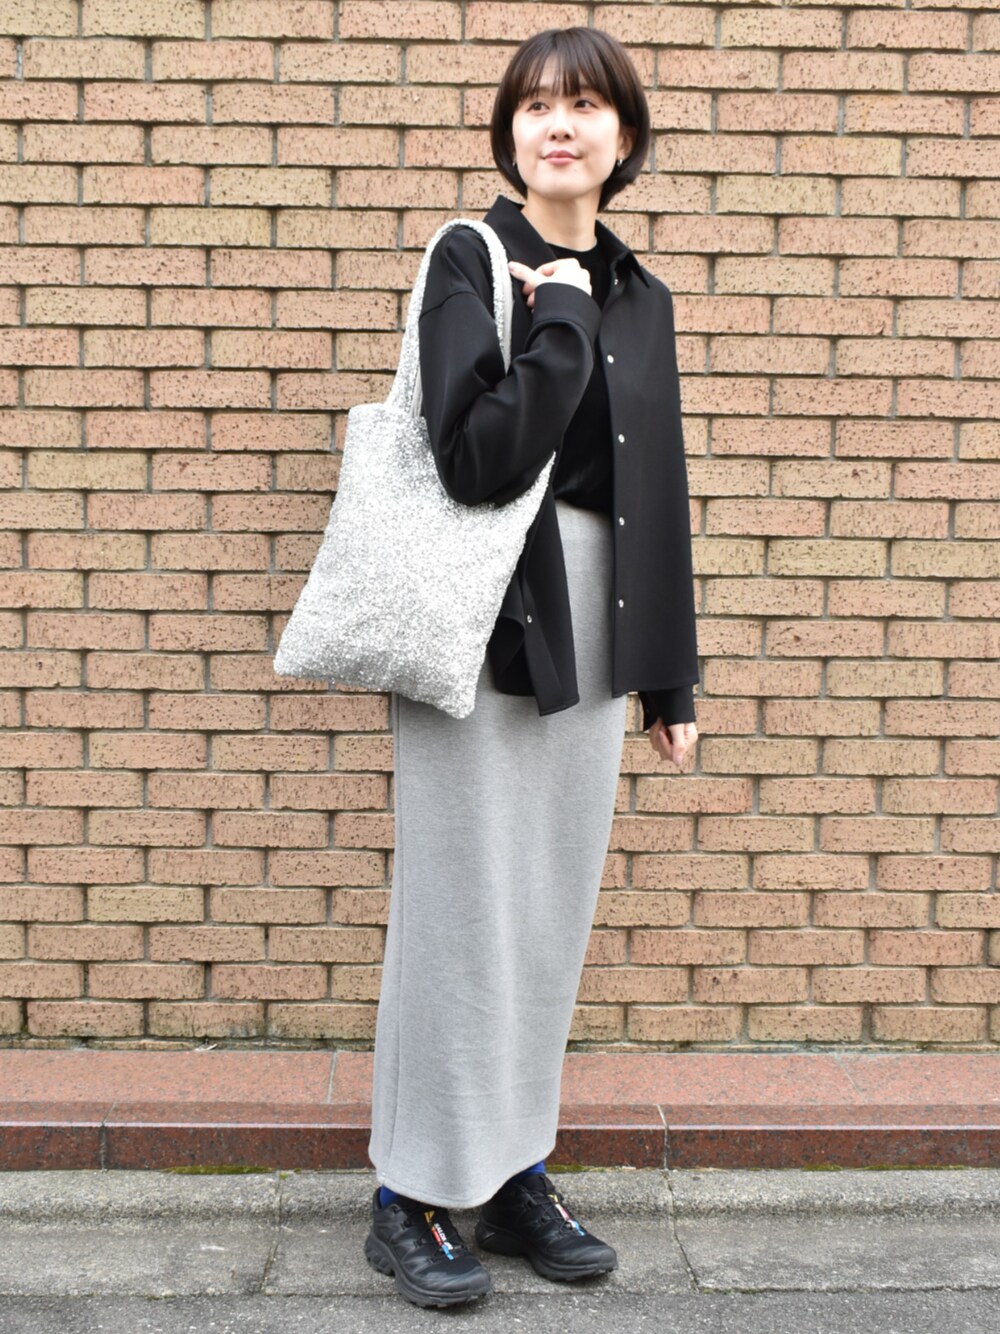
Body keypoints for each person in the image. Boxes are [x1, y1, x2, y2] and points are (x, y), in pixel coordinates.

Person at [363, 26, 700, 1308]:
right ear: (509, 134)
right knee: (460, 910)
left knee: (547, 911)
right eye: (537, 105)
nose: (560, 124)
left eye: (587, 105)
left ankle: (509, 1170)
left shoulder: (642, 295)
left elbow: (654, 492)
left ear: (625, 136)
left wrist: (668, 677)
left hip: (598, 621)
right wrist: (555, 314)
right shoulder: (473, 258)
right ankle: (408, 1193)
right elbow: (475, 458)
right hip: (489, 611)